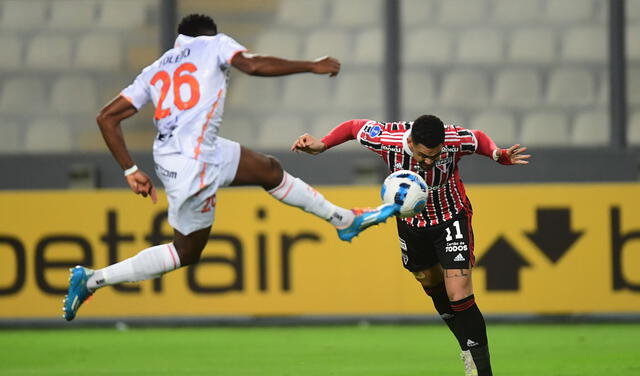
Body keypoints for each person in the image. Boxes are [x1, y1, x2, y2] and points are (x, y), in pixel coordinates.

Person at [63, 14, 397, 322]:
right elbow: (251, 65)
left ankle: (344, 220)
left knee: (268, 169)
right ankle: (93, 280)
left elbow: (106, 117)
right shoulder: (215, 43)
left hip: (176, 157)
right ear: (209, 33)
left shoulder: (156, 68)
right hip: (197, 161)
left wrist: (130, 170)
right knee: (186, 251)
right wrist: (311, 65)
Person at [292, 114, 530, 376]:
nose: (429, 162)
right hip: (412, 226)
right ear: (411, 142)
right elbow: (352, 127)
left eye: (435, 156)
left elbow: (478, 138)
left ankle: (481, 369)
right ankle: (466, 346)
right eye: (422, 155)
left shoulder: (452, 138)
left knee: (459, 292)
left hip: (451, 218)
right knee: (430, 282)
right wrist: (322, 144)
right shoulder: (387, 139)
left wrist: (497, 153)